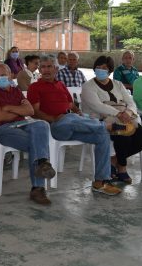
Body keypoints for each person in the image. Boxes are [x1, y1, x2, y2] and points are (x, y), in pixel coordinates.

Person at [28, 55, 121, 195]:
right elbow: (34, 112)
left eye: (49, 66)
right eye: (43, 67)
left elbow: (71, 104)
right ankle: (105, 125)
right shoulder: (35, 87)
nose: (46, 70)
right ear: (40, 69)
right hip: (54, 128)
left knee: (102, 135)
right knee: (71, 118)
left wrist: (78, 112)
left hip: (73, 125)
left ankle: (101, 181)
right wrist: (54, 118)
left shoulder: (60, 85)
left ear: (56, 68)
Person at [0, 64, 56, 205]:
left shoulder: (16, 91)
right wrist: (18, 111)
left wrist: (9, 108)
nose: (0, 78)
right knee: (37, 143)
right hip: (4, 130)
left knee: (41, 125)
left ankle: (42, 164)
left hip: (24, 125)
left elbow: (30, 111)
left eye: (3, 75)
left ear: (11, 75)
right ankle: (38, 186)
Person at [81, 56, 142, 185]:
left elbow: (130, 102)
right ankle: (122, 168)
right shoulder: (88, 86)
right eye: (98, 67)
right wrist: (119, 113)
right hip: (99, 120)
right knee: (123, 134)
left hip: (123, 117)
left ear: (109, 70)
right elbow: (97, 106)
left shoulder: (118, 84)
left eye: (104, 68)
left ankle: (113, 161)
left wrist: (127, 112)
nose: (100, 70)